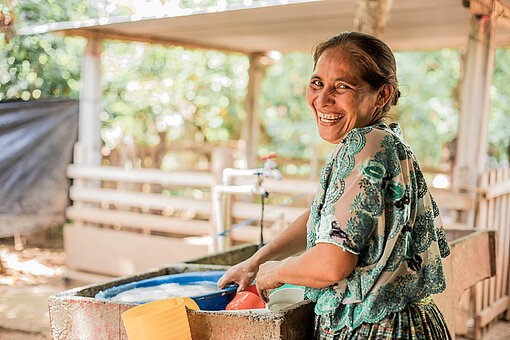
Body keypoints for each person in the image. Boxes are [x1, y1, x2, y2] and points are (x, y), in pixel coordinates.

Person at [218, 31, 451, 339]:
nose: (323, 99)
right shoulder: (385, 140)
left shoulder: (365, 144)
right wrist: (256, 260)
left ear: (382, 95)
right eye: (317, 83)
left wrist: (277, 271)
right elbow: (333, 219)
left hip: (375, 328)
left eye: (342, 86)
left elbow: (331, 263)